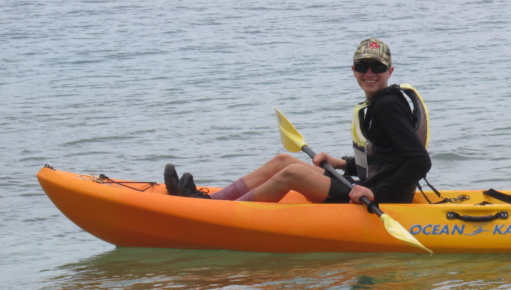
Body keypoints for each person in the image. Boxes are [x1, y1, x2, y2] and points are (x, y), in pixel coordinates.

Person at [165, 37, 431, 204]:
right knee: (283, 160)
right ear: (353, 70)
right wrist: (342, 164)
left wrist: (376, 193)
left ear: (390, 71)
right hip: (367, 185)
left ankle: (216, 211)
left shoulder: (387, 106)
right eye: (362, 67)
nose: (369, 73)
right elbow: (386, 157)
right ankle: (208, 201)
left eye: (378, 67)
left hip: (376, 196)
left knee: (291, 173)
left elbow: (420, 160)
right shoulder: (380, 102)